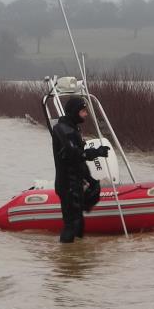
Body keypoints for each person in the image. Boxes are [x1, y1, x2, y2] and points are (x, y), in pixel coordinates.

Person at [50, 96, 109, 243]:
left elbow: (79, 162)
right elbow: (73, 154)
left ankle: (78, 260)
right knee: (72, 224)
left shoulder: (74, 128)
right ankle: (67, 261)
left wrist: (89, 179)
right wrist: (96, 152)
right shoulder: (62, 130)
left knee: (79, 223)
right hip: (67, 185)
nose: (86, 114)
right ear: (75, 112)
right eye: (83, 111)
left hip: (76, 182)